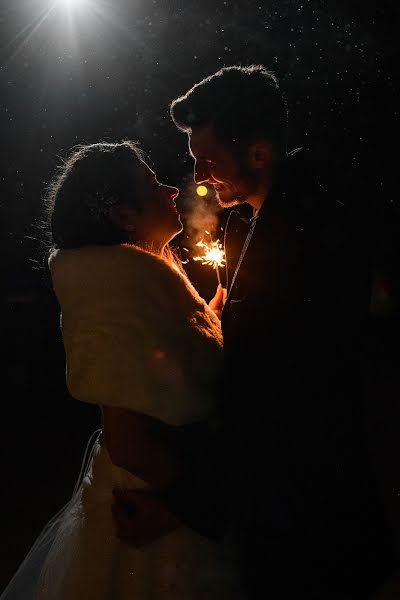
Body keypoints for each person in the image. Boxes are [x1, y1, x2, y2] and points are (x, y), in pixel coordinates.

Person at [112, 65, 400, 598]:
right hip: (312, 512)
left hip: (314, 525)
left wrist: (182, 508)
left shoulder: (300, 240)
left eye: (209, 160)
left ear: (259, 155)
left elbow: (278, 403)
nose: (199, 176)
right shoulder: (280, 218)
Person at [0, 140, 245, 600]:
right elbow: (128, 442)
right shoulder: (119, 295)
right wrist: (193, 504)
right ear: (122, 215)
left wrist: (209, 321)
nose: (173, 190)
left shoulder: (142, 283)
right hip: (151, 509)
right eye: (153, 184)